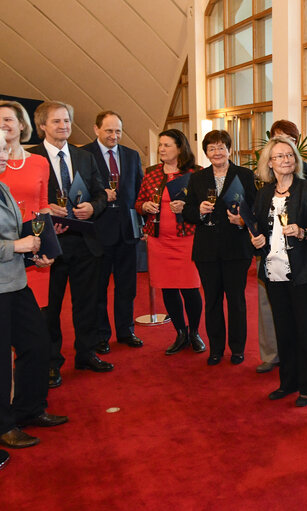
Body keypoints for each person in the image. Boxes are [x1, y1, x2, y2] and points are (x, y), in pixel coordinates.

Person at [28, 101, 111, 388]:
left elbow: (102, 193)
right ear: (42, 126)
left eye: (66, 121)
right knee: (49, 310)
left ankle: (86, 354)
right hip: (49, 245)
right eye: (56, 122)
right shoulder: (31, 158)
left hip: (85, 242)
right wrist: (46, 208)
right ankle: (52, 363)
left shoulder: (84, 157)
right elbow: (25, 202)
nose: (63, 126)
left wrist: (93, 206)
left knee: (86, 304)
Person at [0, 129, 68, 459]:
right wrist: (15, 246)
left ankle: (29, 409)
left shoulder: (2, 187)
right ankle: (4, 425)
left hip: (15, 281)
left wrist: (33, 252)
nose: (5, 156)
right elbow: (11, 239)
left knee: (37, 344)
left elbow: (23, 224)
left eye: (5, 149)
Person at [249, 136, 307, 406]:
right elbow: (258, 229)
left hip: (305, 272)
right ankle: (289, 382)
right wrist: (256, 240)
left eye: (290, 155)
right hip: (273, 272)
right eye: (279, 156)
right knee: (284, 330)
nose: (286, 160)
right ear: (269, 163)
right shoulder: (263, 193)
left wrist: (303, 232)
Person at [182, 130, 256, 366]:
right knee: (212, 301)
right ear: (206, 152)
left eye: (221, 147)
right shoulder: (197, 178)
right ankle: (215, 349)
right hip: (207, 250)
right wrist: (200, 212)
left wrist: (243, 221)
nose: (217, 152)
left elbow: (255, 210)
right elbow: (187, 212)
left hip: (236, 248)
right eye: (211, 148)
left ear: (229, 150)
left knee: (236, 301)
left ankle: (237, 349)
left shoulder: (245, 175)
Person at [136, 129, 205, 356]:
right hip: (159, 241)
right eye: (160, 145)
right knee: (168, 288)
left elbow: (204, 206)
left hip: (187, 239)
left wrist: (187, 207)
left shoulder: (195, 174)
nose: (161, 149)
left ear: (180, 148)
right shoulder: (152, 173)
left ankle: (194, 332)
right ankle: (180, 332)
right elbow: (139, 202)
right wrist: (145, 206)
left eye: (167, 145)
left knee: (191, 289)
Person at [82, 111, 144, 354]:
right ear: (96, 129)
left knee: (127, 287)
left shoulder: (131, 155)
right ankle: (100, 335)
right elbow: (78, 192)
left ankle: (126, 330)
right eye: (109, 130)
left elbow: (139, 192)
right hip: (97, 232)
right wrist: (98, 197)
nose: (114, 136)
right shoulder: (84, 155)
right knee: (98, 289)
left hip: (127, 231)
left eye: (118, 131)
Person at [0, 100, 52, 307]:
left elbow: (43, 205)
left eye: (7, 119)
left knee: (34, 318)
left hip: (33, 250)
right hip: (5, 253)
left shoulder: (39, 162)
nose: (2, 124)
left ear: (22, 124)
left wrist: (48, 244)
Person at [269, 119, 307, 184]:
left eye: (289, 140)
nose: (284, 143)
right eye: (280, 139)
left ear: (295, 143)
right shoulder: (267, 170)